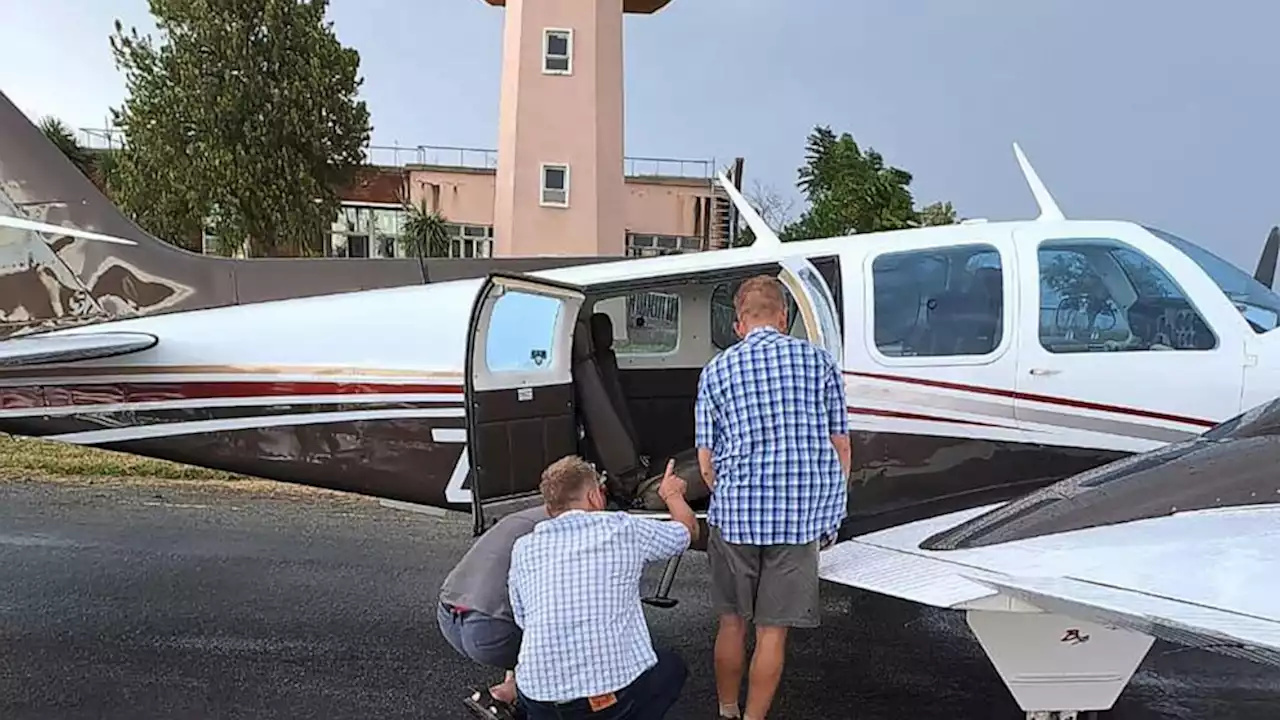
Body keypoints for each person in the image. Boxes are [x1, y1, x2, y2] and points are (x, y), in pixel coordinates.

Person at [694, 275, 851, 720]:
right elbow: (841, 446)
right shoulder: (819, 362)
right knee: (771, 632)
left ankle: (726, 710)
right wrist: (831, 512)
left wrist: (726, 495)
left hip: (738, 516)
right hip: (799, 520)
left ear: (739, 323)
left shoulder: (718, 370)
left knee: (731, 623)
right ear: (783, 318)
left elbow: (706, 462)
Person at [507, 454, 698, 719]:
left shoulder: (524, 548)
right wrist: (672, 494)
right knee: (671, 669)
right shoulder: (621, 528)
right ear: (595, 497)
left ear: (550, 507)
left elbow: (523, 619)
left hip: (538, 696)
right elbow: (687, 532)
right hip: (603, 699)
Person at [438, 503, 550, 720]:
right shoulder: (572, 528)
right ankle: (515, 696)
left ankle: (507, 689)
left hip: (449, 615)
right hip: (488, 630)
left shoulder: (524, 517)